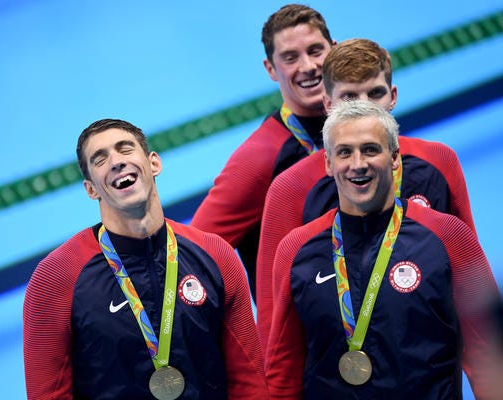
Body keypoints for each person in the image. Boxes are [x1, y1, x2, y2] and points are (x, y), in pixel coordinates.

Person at [264, 100, 500, 399]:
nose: (358, 163)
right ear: (328, 163)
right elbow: (283, 371)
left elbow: (490, 352)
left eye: (371, 149)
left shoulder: (448, 235)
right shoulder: (297, 249)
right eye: (344, 152)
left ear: (395, 158)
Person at [23, 119, 269, 399]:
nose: (116, 162)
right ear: (91, 189)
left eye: (125, 149)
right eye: (100, 159)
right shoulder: (56, 277)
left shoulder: (215, 254)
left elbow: (249, 380)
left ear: (154, 164)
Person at [256, 38, 476, 350]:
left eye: (375, 93)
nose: (365, 108)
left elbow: (471, 286)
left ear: (393, 96)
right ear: (328, 104)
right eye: (349, 98)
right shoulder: (290, 189)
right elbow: (271, 315)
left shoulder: (439, 163)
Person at [190, 4, 335, 297]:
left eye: (315, 51)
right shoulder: (259, 159)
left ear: (334, 50)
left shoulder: (358, 127)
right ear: (271, 69)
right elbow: (191, 258)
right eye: (290, 58)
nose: (307, 66)